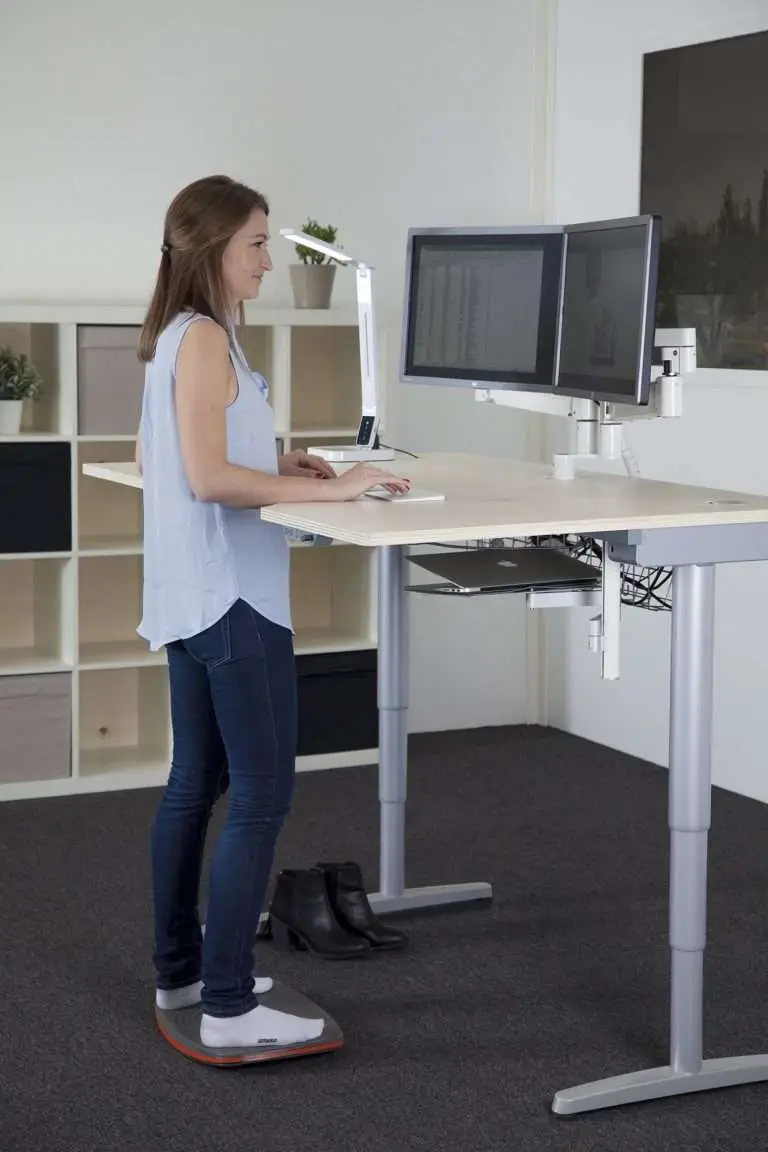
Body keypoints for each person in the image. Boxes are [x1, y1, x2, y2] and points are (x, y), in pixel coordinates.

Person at [135, 174, 409, 1050]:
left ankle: (184, 974)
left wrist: (282, 456)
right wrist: (342, 486)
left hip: (192, 593)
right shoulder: (208, 339)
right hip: (234, 602)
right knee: (260, 796)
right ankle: (226, 1009)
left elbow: (183, 454)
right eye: (257, 242)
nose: (268, 258)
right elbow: (208, 479)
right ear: (215, 247)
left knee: (195, 787)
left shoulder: (184, 336)